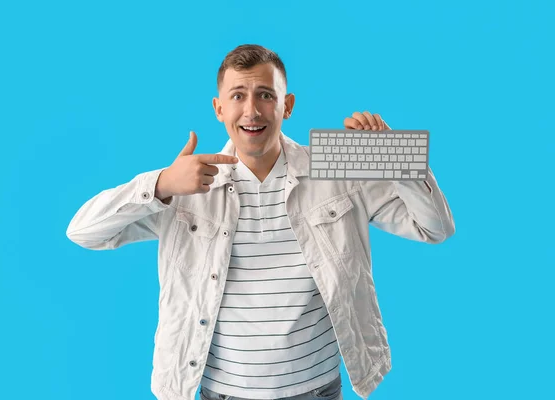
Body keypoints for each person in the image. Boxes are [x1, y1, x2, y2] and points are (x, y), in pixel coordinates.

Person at [66, 44, 455, 400]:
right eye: (238, 96)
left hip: (317, 390)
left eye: (265, 95)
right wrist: (162, 183)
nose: (251, 110)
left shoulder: (336, 172)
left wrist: (396, 160)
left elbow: (434, 228)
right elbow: (83, 231)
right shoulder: (184, 183)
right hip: (222, 393)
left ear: (287, 105)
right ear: (219, 108)